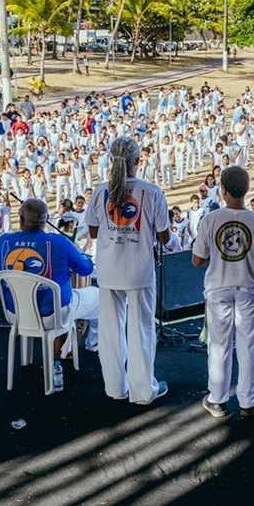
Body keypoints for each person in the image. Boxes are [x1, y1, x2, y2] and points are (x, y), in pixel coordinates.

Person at [86, 137, 171, 405]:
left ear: (111, 161)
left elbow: (92, 231)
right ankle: (143, 391)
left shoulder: (101, 192)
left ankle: (115, 388)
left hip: (109, 270)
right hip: (139, 270)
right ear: (138, 161)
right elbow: (165, 237)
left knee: (109, 332)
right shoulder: (151, 192)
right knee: (141, 330)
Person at [192, 166, 254, 418]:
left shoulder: (210, 220)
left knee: (219, 345)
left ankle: (217, 400)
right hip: (248, 288)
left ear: (222, 190)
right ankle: (247, 400)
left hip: (218, 288)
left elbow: (196, 260)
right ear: (247, 189)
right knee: (247, 344)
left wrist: (217, 256)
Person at [0, 199, 98, 364]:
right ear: (46, 220)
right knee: (98, 297)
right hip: (54, 316)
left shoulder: (3, 241)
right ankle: (93, 344)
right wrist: (78, 254)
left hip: (15, 313)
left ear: (20, 219)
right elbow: (86, 269)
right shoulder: (60, 242)